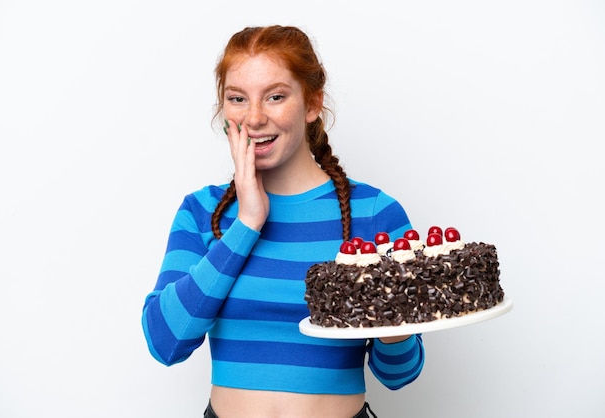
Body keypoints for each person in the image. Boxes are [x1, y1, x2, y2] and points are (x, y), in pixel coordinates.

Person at [141, 25, 425, 418]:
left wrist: (397, 318)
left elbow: (400, 373)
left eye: (275, 96)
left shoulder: (374, 214)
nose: (254, 118)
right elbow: (165, 341)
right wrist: (247, 223)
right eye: (237, 98)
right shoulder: (202, 212)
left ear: (311, 104)